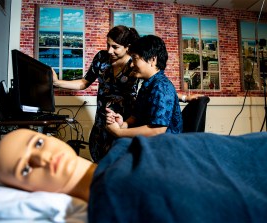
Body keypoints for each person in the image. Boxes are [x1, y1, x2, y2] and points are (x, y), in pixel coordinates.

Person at [0, 127, 267, 222]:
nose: (41, 157)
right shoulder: (114, 203)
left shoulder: (126, 154)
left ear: (51, 136)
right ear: (24, 189)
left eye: (36, 142)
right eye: (24, 168)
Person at [52, 25, 201, 162]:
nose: (110, 50)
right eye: (108, 45)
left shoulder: (149, 79)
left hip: (154, 145)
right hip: (119, 121)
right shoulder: (145, 82)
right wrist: (124, 123)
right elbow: (147, 106)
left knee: (119, 162)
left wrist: (120, 132)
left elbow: (158, 123)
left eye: (115, 47)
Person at [105, 35, 182, 138]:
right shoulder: (148, 84)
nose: (131, 65)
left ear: (152, 60)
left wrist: (118, 132)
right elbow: (136, 117)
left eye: (135, 59)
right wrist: (122, 124)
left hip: (164, 148)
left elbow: (157, 131)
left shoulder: (161, 87)